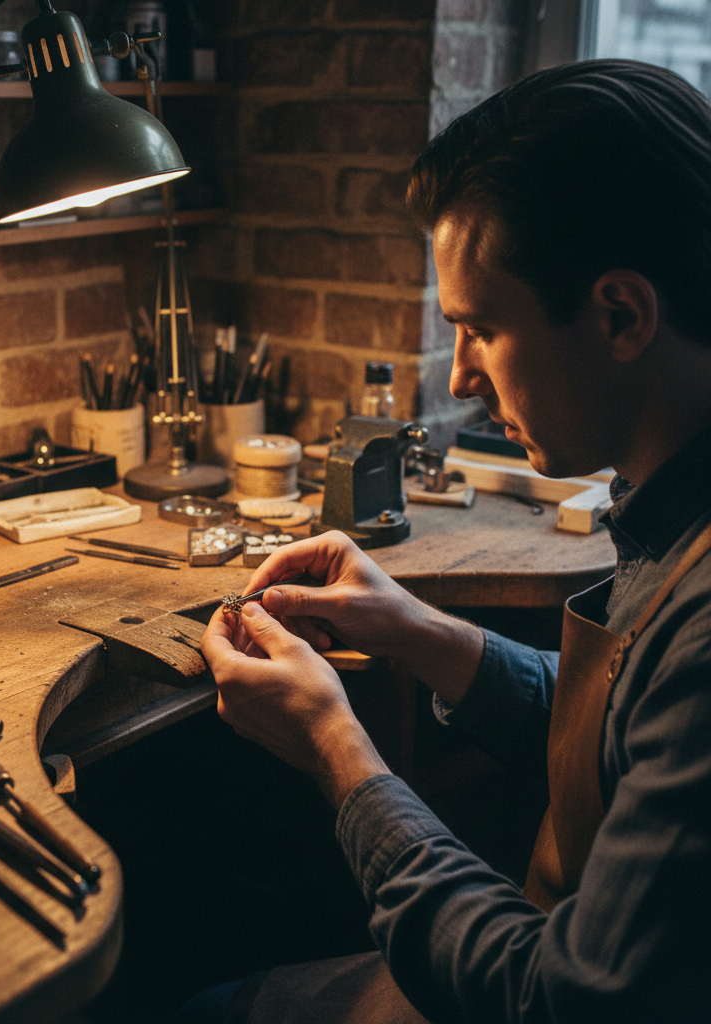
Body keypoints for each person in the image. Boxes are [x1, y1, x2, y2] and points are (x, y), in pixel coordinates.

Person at [181, 60, 711, 1023]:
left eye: (480, 330)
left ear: (621, 314)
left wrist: (335, 746)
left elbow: (553, 1001)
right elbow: (631, 733)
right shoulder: (677, 506)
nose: (462, 378)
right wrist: (421, 632)